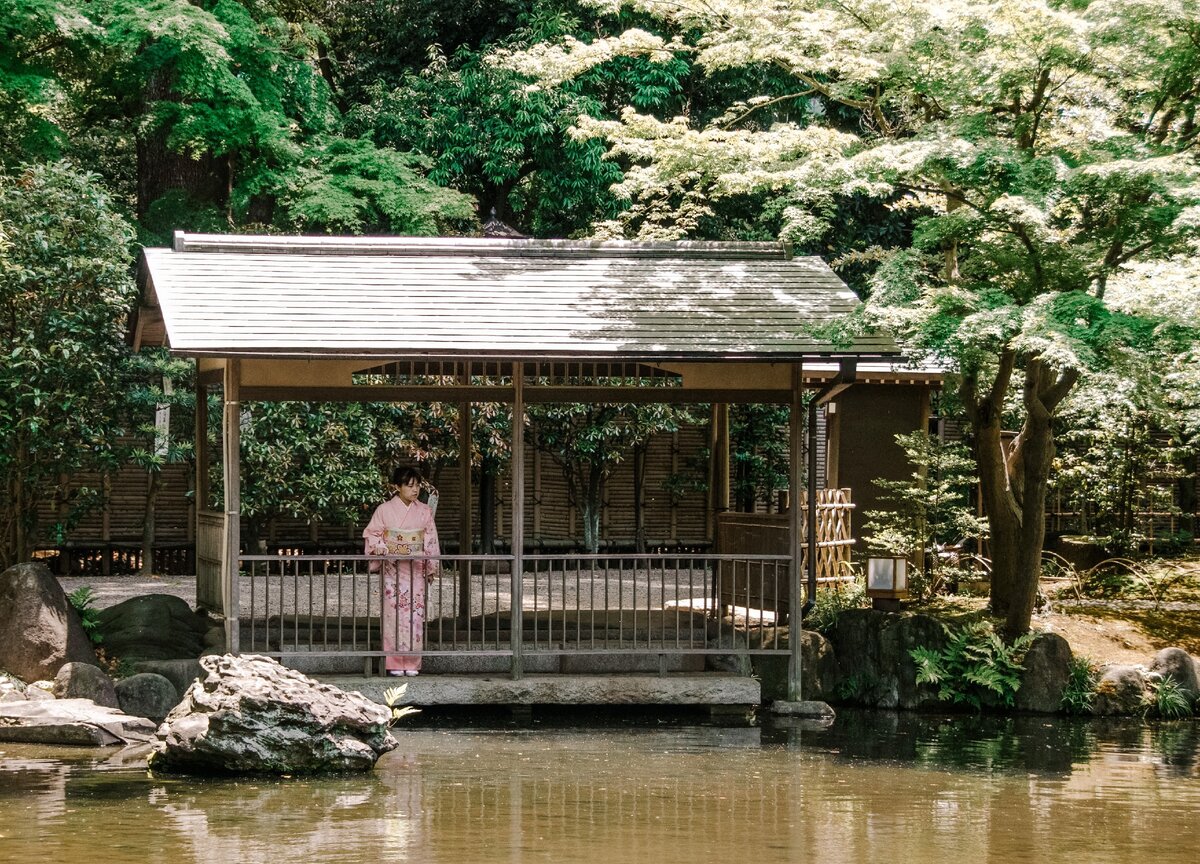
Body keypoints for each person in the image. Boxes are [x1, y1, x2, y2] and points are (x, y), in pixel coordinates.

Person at [363, 466, 441, 676]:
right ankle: (394, 662)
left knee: (415, 617)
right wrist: (381, 547)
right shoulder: (384, 510)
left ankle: (412, 663)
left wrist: (431, 566)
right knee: (393, 617)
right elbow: (372, 534)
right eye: (409, 486)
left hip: (415, 571)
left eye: (417, 486)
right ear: (397, 487)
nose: (415, 490)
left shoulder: (424, 510)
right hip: (393, 572)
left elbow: (431, 539)